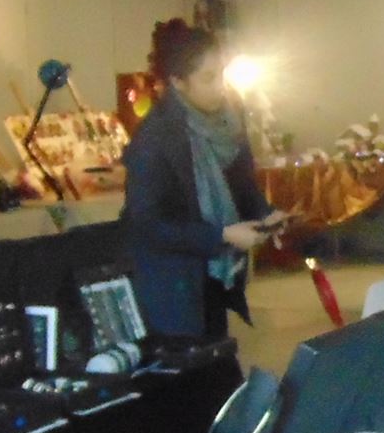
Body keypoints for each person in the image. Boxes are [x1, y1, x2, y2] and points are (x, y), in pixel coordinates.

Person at [120, 20, 288, 339]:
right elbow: (147, 225)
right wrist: (221, 235)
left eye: (221, 74)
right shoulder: (155, 139)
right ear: (178, 82)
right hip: (172, 284)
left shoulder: (228, 121)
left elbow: (242, 185)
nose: (220, 86)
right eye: (208, 78)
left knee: (218, 354)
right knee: (198, 363)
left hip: (212, 276)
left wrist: (265, 215)